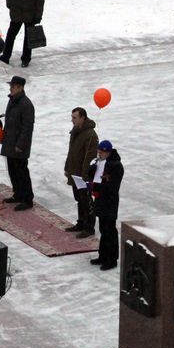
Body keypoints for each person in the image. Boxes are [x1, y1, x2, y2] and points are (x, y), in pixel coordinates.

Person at [0, 0, 45, 68]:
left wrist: (38, 16)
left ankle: (26, 59)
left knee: (28, 38)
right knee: (10, 36)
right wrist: (9, 4)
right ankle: (5, 57)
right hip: (16, 14)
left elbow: (40, 0)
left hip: (30, 15)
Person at [88, 140, 123, 271]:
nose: (99, 154)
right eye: (98, 152)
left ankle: (111, 259)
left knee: (110, 230)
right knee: (103, 229)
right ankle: (103, 255)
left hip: (110, 201)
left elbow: (112, 186)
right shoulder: (100, 162)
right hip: (101, 200)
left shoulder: (115, 166)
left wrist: (96, 187)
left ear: (108, 152)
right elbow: (93, 176)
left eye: (101, 152)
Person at [64, 107, 99, 238]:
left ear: (82, 118)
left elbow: (89, 158)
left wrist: (85, 177)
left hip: (83, 176)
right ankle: (81, 222)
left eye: (74, 118)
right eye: (72, 117)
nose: (72, 120)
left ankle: (89, 227)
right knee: (79, 199)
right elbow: (71, 151)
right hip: (74, 172)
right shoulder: (75, 131)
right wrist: (67, 167)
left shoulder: (90, 135)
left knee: (87, 200)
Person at [1, 75, 35, 210]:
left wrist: (20, 145)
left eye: (13, 86)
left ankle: (27, 199)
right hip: (10, 143)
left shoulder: (26, 105)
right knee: (12, 171)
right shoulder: (13, 100)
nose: (11, 88)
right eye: (11, 86)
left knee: (22, 172)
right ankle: (18, 194)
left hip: (19, 146)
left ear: (20, 88)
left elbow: (27, 128)